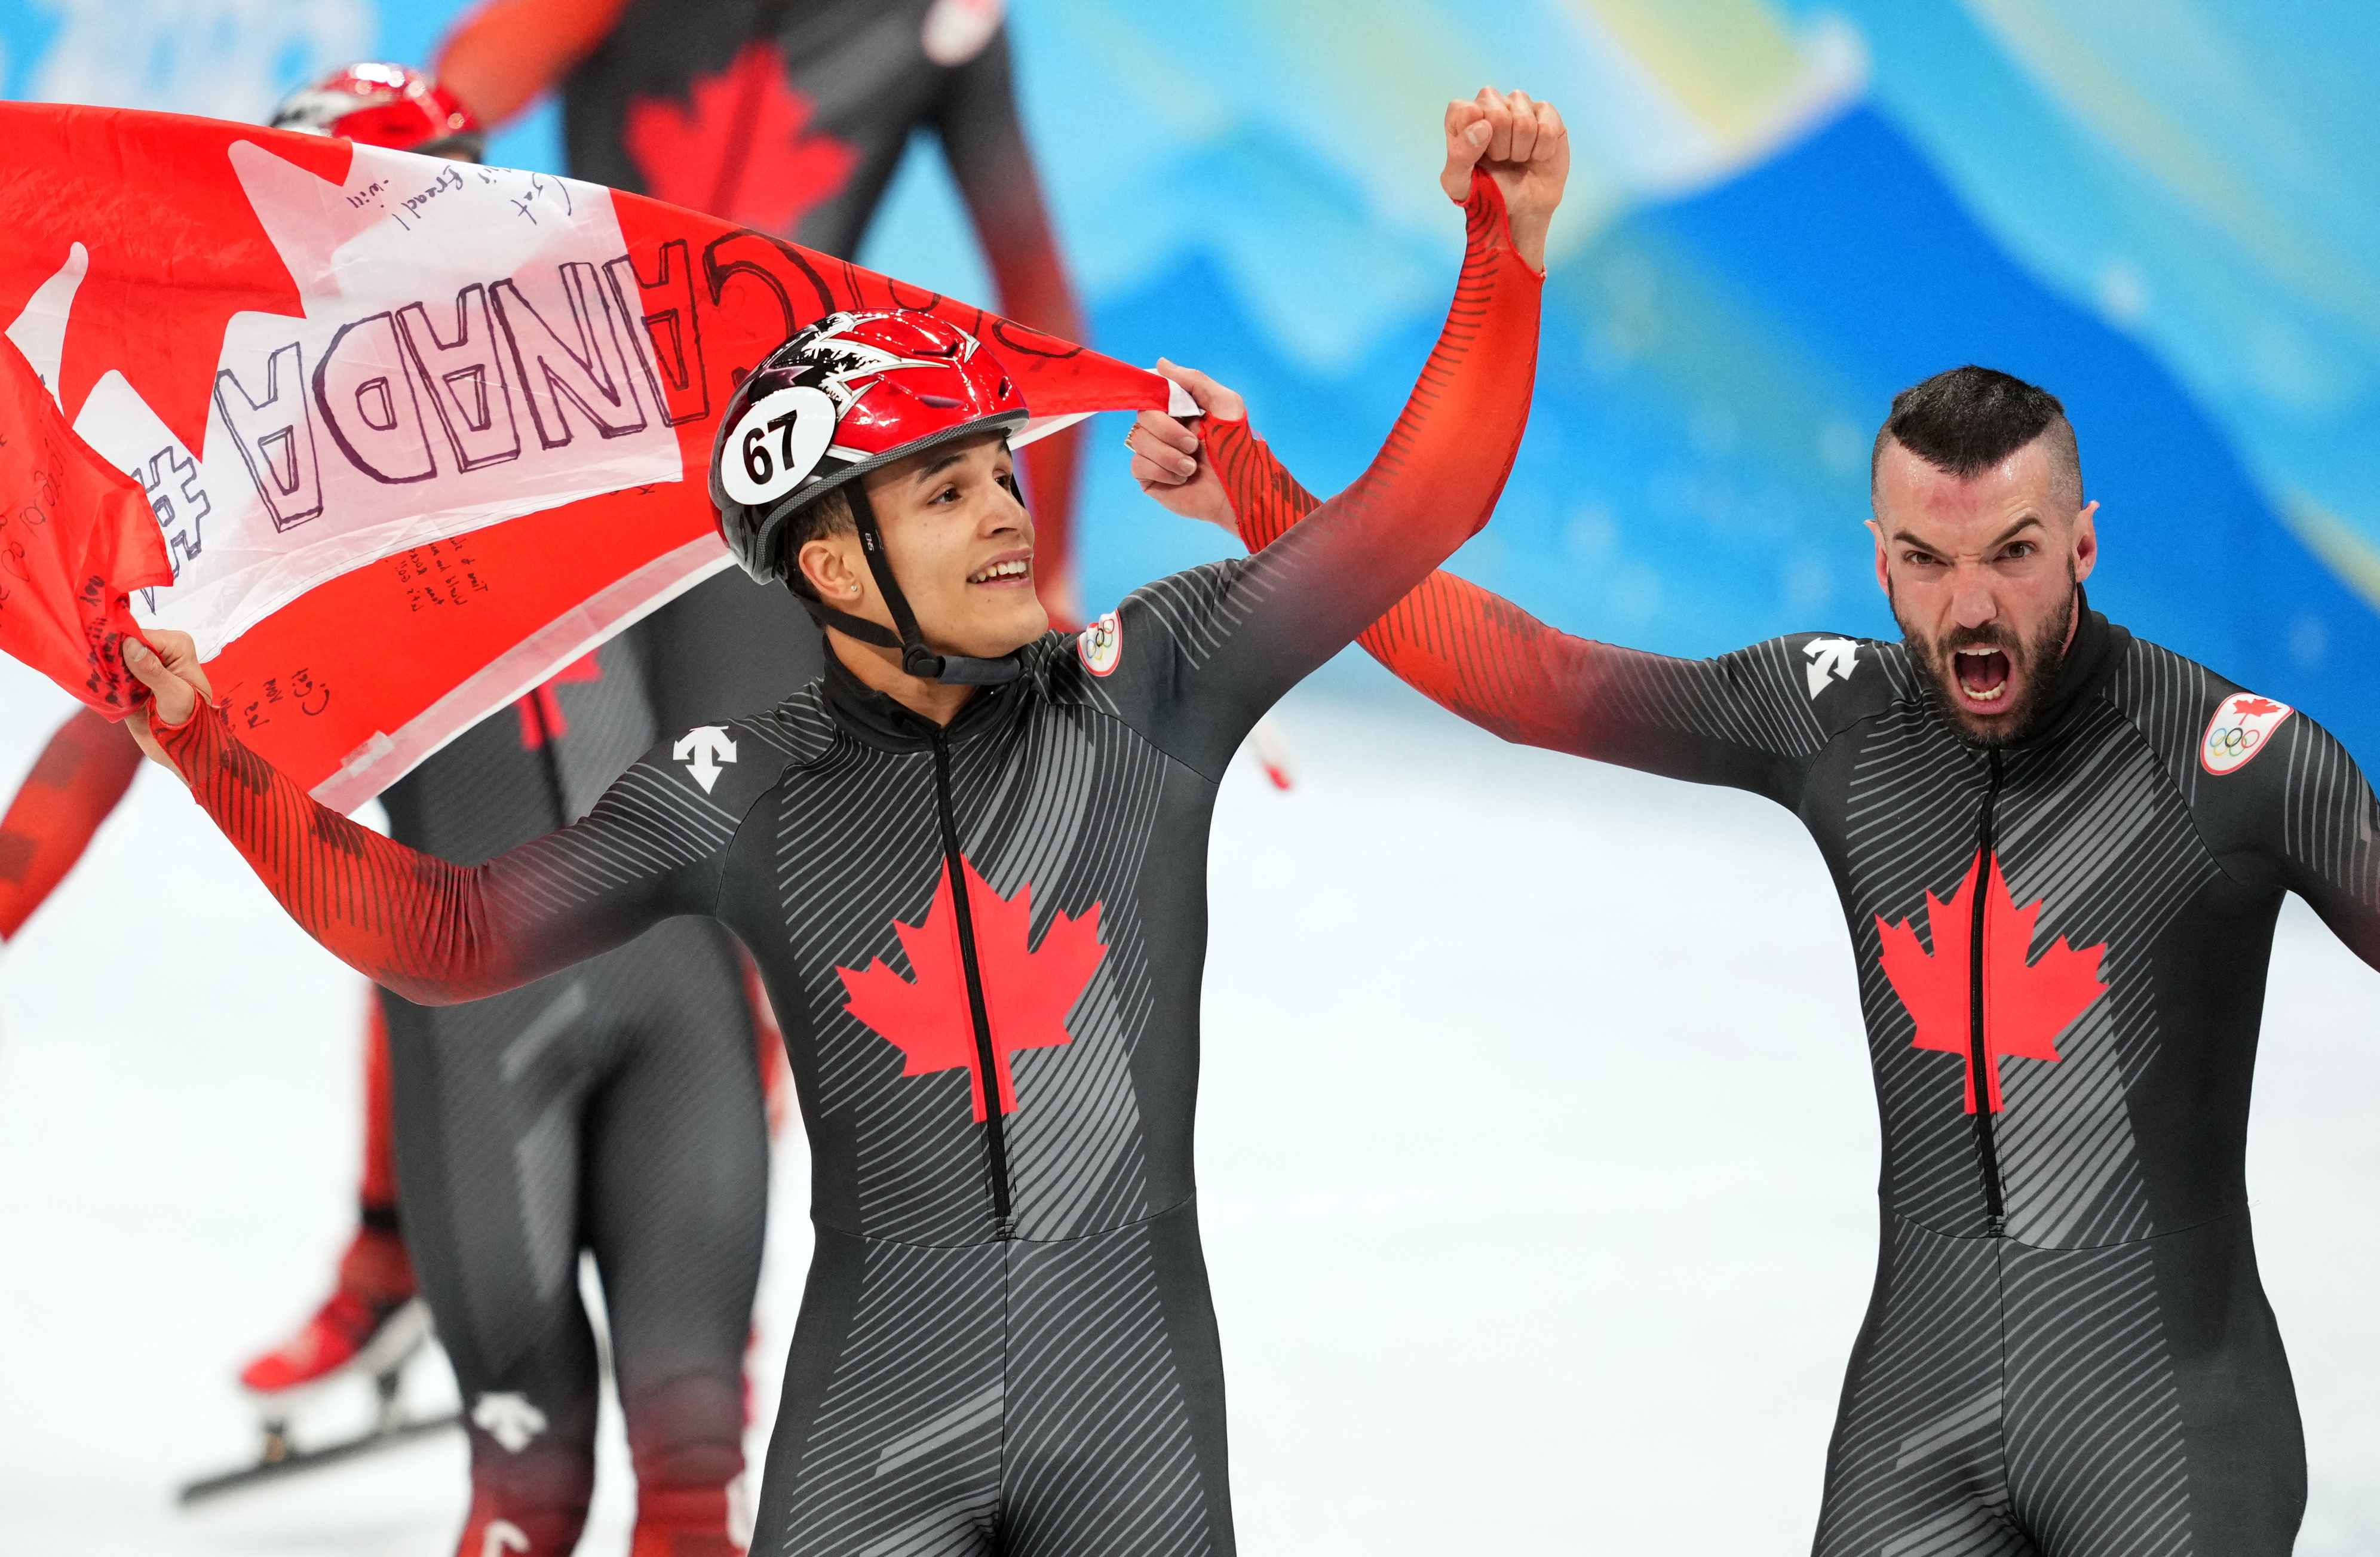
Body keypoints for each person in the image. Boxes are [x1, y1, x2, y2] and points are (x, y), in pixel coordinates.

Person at [120, 88, 1565, 1555]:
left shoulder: (1153, 683)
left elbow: (1421, 504)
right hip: (880, 1413)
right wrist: (214, 755)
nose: (1009, 512)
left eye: (1002, 471)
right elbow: (445, 935)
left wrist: (1501, 244)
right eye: (948, 490)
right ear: (832, 560)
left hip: (1131, 1418)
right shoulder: (741, 783)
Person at [1131, 361, 2348, 1551]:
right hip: (1923, 1415)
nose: (1970, 608)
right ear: (1880, 557)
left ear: (2083, 544)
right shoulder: (1838, 719)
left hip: (2174, 1428)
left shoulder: (2229, 760)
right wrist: (1262, 500)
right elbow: (1528, 677)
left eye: (2012, 555)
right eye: (1926, 561)